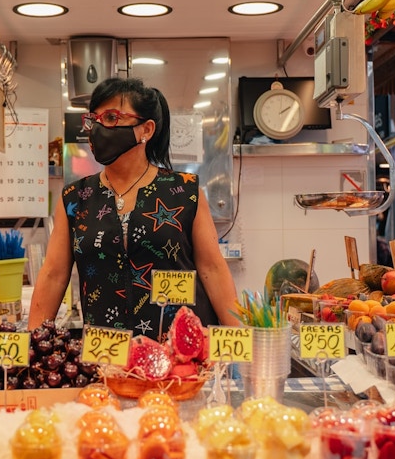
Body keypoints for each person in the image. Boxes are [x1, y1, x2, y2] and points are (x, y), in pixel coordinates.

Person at [28, 77, 240, 332]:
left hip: (179, 355)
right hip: (106, 352)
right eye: (93, 119)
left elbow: (213, 269)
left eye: (110, 118)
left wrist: (242, 343)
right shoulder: (76, 197)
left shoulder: (185, 190)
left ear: (146, 130)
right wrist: (31, 343)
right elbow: (53, 274)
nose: (98, 128)